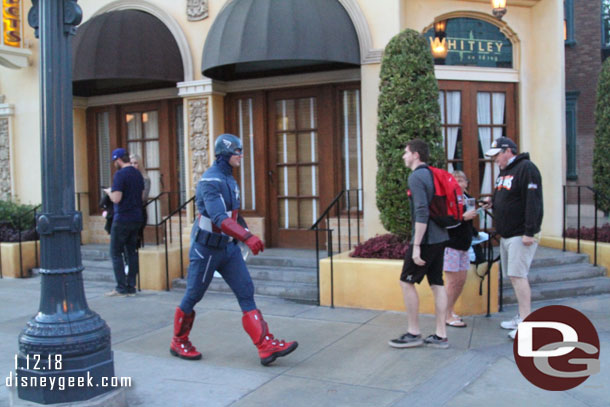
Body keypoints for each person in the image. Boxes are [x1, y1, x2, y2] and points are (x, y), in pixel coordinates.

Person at [170, 134, 298, 365]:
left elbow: (233, 215)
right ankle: (179, 340)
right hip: (206, 249)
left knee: (246, 291)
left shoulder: (229, 179)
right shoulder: (210, 181)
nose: (241, 155)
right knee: (193, 294)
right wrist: (247, 237)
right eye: (237, 151)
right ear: (225, 154)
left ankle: (265, 346)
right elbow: (219, 218)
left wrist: (243, 233)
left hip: (227, 248)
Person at [389, 139, 450, 349]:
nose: (403, 156)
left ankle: (413, 332)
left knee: (406, 282)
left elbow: (422, 212)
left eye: (406, 153)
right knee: (437, 283)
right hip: (440, 237)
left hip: (426, 240)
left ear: (416, 155)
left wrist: (416, 245)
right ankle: (441, 335)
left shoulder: (416, 177)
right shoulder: (432, 173)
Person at [483, 137, 543, 340]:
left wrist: (530, 231)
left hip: (520, 234)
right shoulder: (505, 171)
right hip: (507, 234)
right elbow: (507, 195)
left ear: (508, 151)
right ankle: (521, 317)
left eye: (497, 155)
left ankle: (527, 324)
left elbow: (533, 202)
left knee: (519, 276)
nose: (495, 160)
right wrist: (493, 201)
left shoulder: (526, 168)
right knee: (513, 276)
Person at [104, 148, 145, 297]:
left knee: (115, 253)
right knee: (131, 252)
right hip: (136, 217)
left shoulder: (120, 175)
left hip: (122, 218)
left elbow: (116, 198)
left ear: (118, 160)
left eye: (115, 161)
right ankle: (131, 286)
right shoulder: (137, 174)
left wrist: (109, 192)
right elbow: (140, 196)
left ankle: (121, 287)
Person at [443, 171, 479, 328]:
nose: (458, 182)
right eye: (455, 180)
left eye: (461, 180)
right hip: (451, 245)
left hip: (464, 245)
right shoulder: (448, 199)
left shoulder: (467, 199)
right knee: (452, 282)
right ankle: (445, 315)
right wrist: (463, 217)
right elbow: (444, 222)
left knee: (460, 281)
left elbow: (467, 223)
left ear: (466, 183)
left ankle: (450, 310)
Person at [130, 153, 150, 247]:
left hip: (139, 212)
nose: (133, 165)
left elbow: (143, 197)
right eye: (131, 163)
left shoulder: (145, 179)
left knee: (136, 240)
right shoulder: (126, 177)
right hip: (127, 213)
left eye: (135, 163)